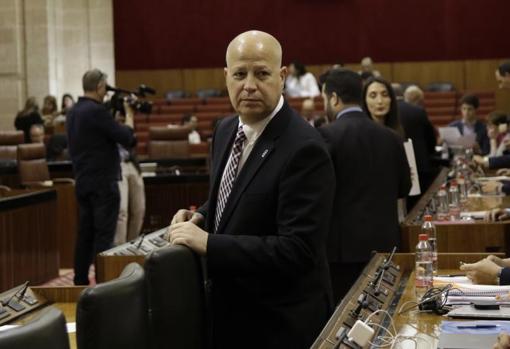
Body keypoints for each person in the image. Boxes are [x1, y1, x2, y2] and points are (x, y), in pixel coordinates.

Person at [167, 30, 335, 349]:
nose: (249, 85)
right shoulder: (226, 129)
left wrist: (210, 243)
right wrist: (202, 215)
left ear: (282, 76)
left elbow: (298, 250)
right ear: (226, 76)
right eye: (240, 74)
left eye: (261, 74)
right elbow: (238, 194)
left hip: (279, 325)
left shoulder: (305, 148)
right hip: (230, 317)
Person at [318, 68, 411, 301]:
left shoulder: (324, 135)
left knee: (344, 324)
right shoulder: (392, 137)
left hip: (341, 252)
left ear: (334, 98)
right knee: (382, 318)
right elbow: (404, 188)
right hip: (385, 246)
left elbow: (318, 193)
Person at [67, 69, 136, 285]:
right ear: (99, 87)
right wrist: (130, 114)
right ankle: (104, 285)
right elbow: (127, 138)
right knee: (104, 237)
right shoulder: (96, 111)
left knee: (85, 235)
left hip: (83, 180)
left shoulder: (74, 111)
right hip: (103, 183)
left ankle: (79, 282)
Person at [393, 83, 437, 197]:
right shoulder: (418, 111)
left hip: (396, 167)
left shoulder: (388, 113)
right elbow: (431, 138)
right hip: (420, 165)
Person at [113, 105, 145, 245]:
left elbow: (131, 140)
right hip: (117, 165)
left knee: (139, 209)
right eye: (119, 114)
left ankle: (131, 246)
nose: (122, 117)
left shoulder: (128, 127)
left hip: (132, 165)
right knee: (122, 211)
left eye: (123, 115)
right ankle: (119, 250)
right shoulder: (107, 126)